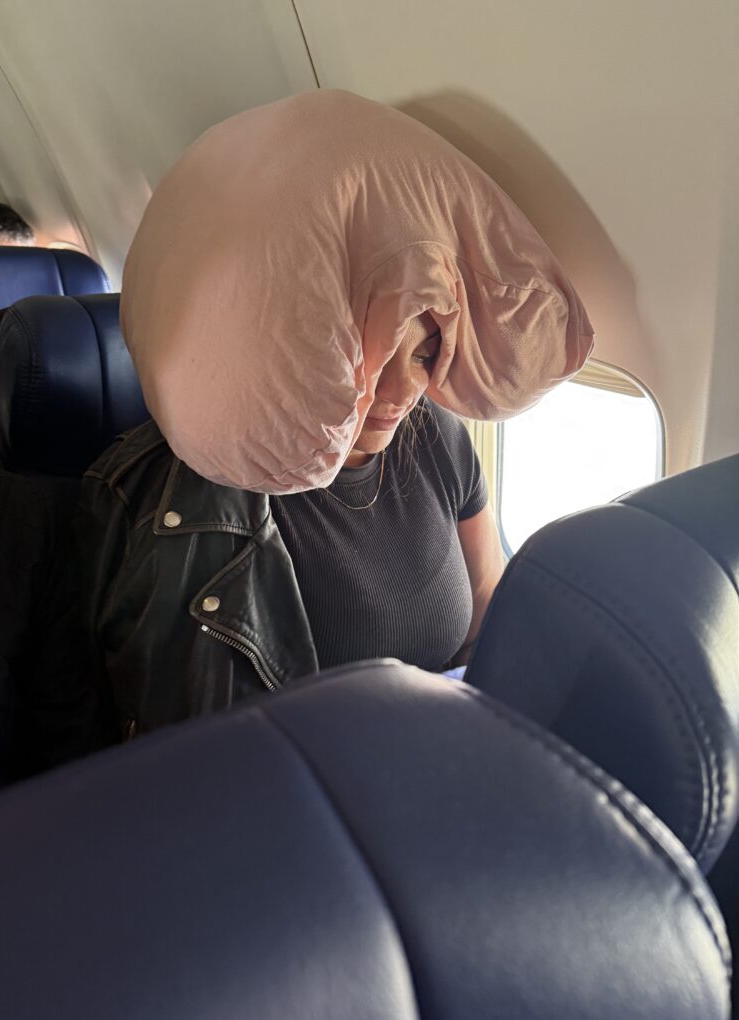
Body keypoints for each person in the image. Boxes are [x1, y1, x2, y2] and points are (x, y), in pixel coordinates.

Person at [76, 91, 593, 742]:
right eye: (375, 357)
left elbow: (485, 600)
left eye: (429, 350)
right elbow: (175, 746)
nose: (406, 388)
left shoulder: (438, 439)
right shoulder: (181, 503)